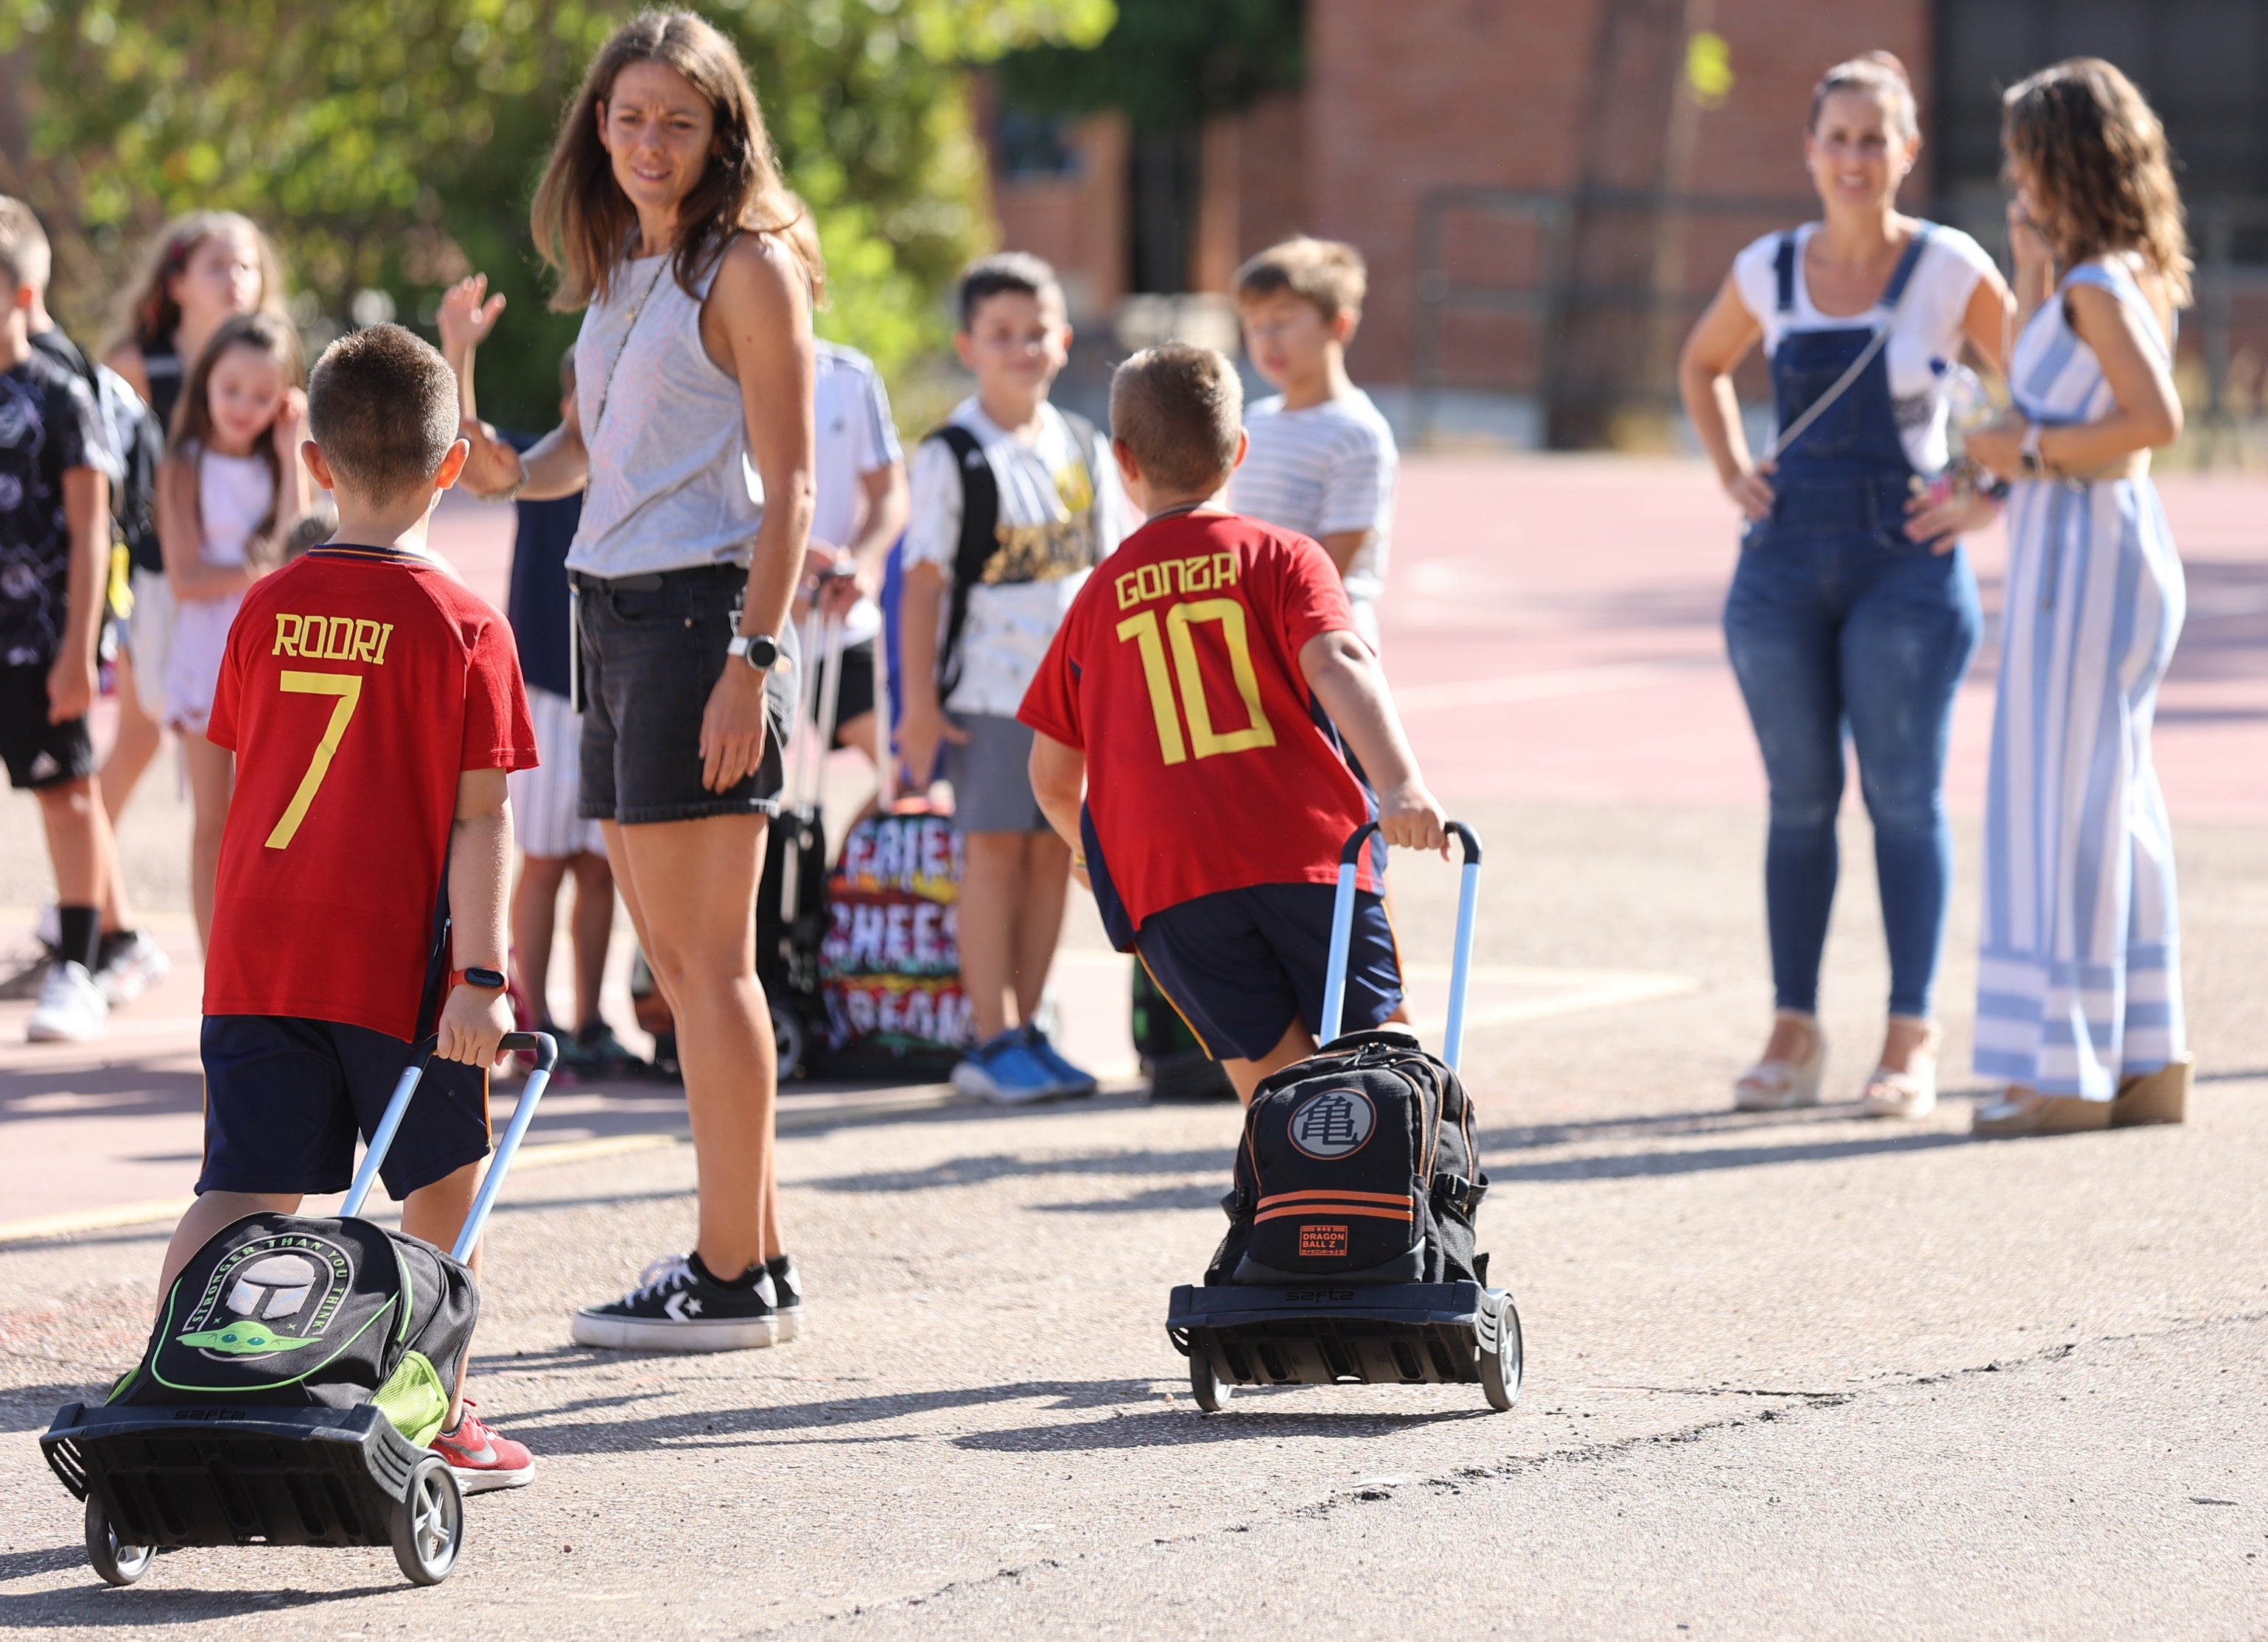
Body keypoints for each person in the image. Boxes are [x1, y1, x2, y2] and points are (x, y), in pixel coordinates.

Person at [455, 11, 817, 1350]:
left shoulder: (747, 267)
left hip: (696, 628)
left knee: (708, 968)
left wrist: (753, 662)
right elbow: (571, 462)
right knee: (678, 959)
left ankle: (726, 1276)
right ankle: (754, 1256)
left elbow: (791, 491)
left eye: (676, 120)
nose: (648, 143)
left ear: (722, 129)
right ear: (594, 129)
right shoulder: (622, 271)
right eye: (627, 118)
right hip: (603, 622)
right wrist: (493, 447)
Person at [150, 321, 539, 1490]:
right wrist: (481, 974)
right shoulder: (468, 626)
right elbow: (481, 820)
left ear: (313, 462)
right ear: (452, 461)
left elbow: (220, 797)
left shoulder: (263, 609)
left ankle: (168, 1383)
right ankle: (434, 1400)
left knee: (241, 1185)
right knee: (441, 1182)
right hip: (394, 961)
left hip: (263, 951)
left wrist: (222, 951)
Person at [1677, 52, 2013, 1120]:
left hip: (1905, 568)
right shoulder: (1767, 268)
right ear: (1810, 150)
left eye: (1877, 139)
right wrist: (1734, 471)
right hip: (1777, 570)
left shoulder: (1951, 268)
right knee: (1798, 803)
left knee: (1903, 800)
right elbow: (1701, 365)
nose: (1856, 158)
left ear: (1905, 151)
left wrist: (1981, 493)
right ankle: (1793, 1028)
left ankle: (1908, 1031)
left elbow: (2036, 388)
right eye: (1839, 138)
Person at [1023, 343, 1448, 1104]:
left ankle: (1302, 1218)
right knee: (1387, 1070)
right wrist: (1400, 783)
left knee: (1278, 1100)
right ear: (1239, 451)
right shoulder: (1283, 555)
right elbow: (1339, 660)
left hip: (1171, 876)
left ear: (1124, 460)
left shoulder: (1096, 600)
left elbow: (1053, 780)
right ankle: (1402, 1217)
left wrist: (1092, 858)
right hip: (1308, 850)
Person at [1959, 60, 2194, 1137]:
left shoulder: (2100, 283)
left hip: (2086, 554)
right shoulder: (2110, 270)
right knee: (2112, 802)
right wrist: (2027, 268)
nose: (2011, 175)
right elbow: (2061, 387)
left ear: (2059, 162)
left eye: (2022, 157)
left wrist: (2030, 451)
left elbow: (2151, 420)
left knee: (2058, 809)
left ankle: (2066, 1071)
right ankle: (2143, 1056)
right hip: (2101, 551)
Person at [897, 252, 1130, 1104]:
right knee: (993, 856)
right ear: (969, 346)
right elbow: (922, 583)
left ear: (1064, 340)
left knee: (1053, 856)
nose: (1022, 347)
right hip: (991, 696)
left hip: (1073, 697)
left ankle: (1029, 1028)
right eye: (1002, 334)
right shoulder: (953, 454)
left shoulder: (1083, 446)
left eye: (1037, 331)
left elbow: (1108, 569)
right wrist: (917, 704)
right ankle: (989, 1036)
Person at [437, 278, 634, 1072]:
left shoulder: (637, 472)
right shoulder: (549, 463)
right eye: (589, 389)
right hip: (553, 690)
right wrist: (460, 351)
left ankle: (590, 1020)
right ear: (568, 396)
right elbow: (470, 452)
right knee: (545, 861)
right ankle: (533, 1015)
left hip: (616, 683)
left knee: (600, 867)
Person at [0, 196, 168, 1007]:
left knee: (67, 795)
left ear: (22, 298)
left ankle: (82, 963)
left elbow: (92, 534)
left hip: (39, 641)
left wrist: (77, 651)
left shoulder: (59, 397)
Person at [99, 212, 287, 849]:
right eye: (217, 266)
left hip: (239, 596)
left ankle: (93, 906)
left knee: (227, 770)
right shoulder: (138, 364)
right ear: (176, 282)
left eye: (247, 266)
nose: (236, 279)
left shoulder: (269, 372)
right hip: (157, 576)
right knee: (139, 735)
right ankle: (84, 898)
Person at [156, 312, 310, 950]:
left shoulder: (282, 465)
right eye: (231, 388)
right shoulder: (184, 464)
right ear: (205, 382)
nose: (244, 405)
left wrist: (290, 456)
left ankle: (267, 964)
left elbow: (300, 552)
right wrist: (259, 564)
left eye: (262, 394)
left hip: (271, 655)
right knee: (213, 822)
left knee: (277, 821)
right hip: (205, 654)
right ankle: (215, 973)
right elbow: (188, 574)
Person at [1230, 237, 1399, 653]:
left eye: (1283, 320)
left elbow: (1329, 567)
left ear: (1339, 325)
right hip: (1258, 633)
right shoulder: (1255, 420)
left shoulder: (1357, 434)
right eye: (1253, 324)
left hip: (1323, 645)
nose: (1266, 338)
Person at [801, 334, 909, 766]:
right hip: (736, 624)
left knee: (900, 777)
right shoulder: (710, 369)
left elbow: (890, 493)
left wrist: (860, 563)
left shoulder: (849, 373)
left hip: (836, 623)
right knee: (745, 809)